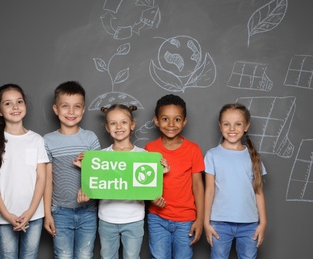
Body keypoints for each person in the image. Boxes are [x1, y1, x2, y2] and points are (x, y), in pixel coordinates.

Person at [75, 103, 169, 259]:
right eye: (113, 123)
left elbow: (147, 188)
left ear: (132, 125)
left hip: (134, 219)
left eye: (123, 122)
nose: (118, 126)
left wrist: (160, 171)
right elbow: (95, 184)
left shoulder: (144, 156)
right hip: (106, 218)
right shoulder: (100, 157)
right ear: (107, 127)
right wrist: (86, 169)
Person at [0, 84, 48, 259]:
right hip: (4, 216)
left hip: (34, 215)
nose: (15, 107)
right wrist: (7, 215)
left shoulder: (36, 140)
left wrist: (30, 212)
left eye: (19, 101)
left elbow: (41, 178)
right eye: (8, 103)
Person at [43, 81, 101, 259]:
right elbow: (47, 180)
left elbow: (100, 176)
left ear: (83, 110)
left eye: (77, 107)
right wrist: (47, 214)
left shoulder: (90, 138)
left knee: (85, 255)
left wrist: (88, 167)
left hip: (88, 211)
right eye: (65, 106)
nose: (71, 112)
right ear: (55, 109)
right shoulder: (47, 140)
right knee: (63, 256)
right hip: (60, 212)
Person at [144, 94, 205, 259]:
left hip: (186, 220)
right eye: (165, 119)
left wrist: (200, 219)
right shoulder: (149, 149)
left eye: (177, 119)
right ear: (156, 120)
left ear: (185, 121)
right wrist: (151, 198)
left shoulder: (193, 150)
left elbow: (198, 186)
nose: (171, 124)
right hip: (157, 218)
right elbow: (143, 183)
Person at [204, 103, 267, 259]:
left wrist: (263, 223)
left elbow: (258, 191)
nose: (232, 128)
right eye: (227, 124)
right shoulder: (212, 155)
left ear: (246, 126)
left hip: (249, 224)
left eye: (238, 124)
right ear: (220, 126)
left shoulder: (253, 157)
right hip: (219, 223)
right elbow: (209, 190)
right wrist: (206, 222)